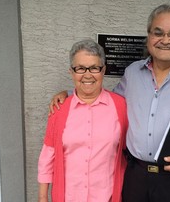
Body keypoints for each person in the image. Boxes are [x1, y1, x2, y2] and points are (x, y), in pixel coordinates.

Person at [49, 4, 170, 202]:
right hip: (135, 177)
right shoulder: (133, 72)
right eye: (158, 33)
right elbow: (108, 103)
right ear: (149, 37)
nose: (165, 40)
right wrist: (71, 94)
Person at [38, 39, 128, 202]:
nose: (87, 75)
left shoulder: (120, 106)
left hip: (107, 197)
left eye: (94, 68)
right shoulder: (59, 109)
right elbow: (47, 156)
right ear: (71, 72)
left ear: (103, 70)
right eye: (80, 68)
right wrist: (43, 197)